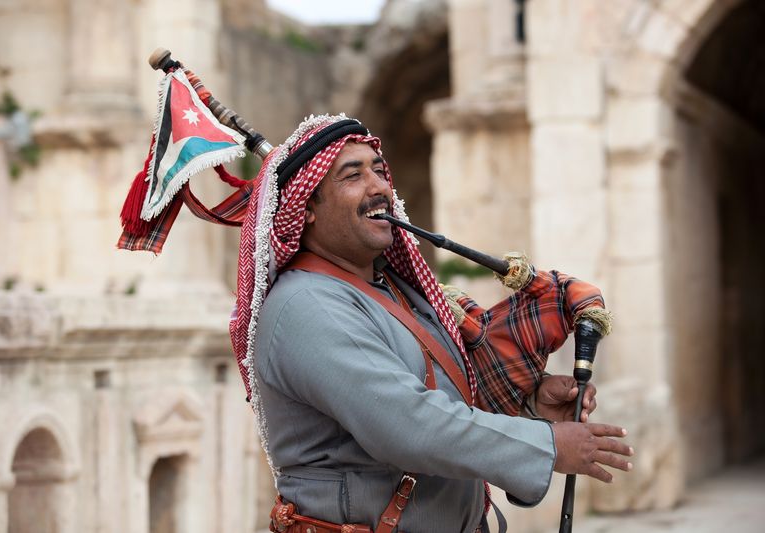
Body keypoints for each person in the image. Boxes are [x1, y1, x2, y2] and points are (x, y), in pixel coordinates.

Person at [230, 115, 632, 533]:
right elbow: (408, 423)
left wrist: (532, 410)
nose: (379, 187)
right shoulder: (306, 305)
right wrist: (549, 446)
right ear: (306, 208)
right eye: (353, 176)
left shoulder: (394, 291)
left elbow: (446, 400)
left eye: (379, 171)